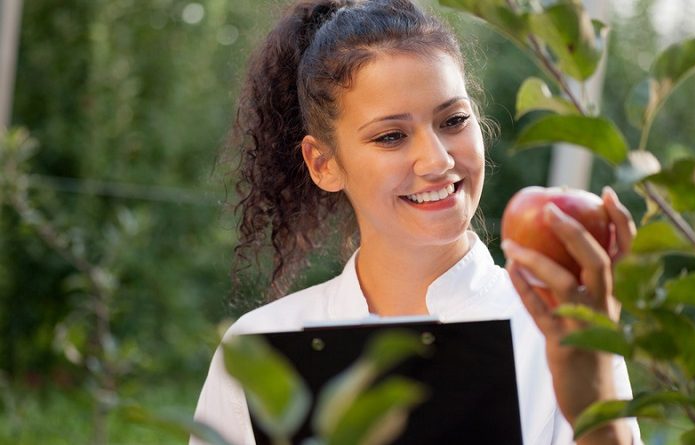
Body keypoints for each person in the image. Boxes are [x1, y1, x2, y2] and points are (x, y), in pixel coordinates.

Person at [192, 0, 642, 444]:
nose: (437, 160)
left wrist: (593, 392)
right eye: (391, 136)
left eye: (454, 120)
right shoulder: (259, 347)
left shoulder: (560, 333)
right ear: (323, 162)